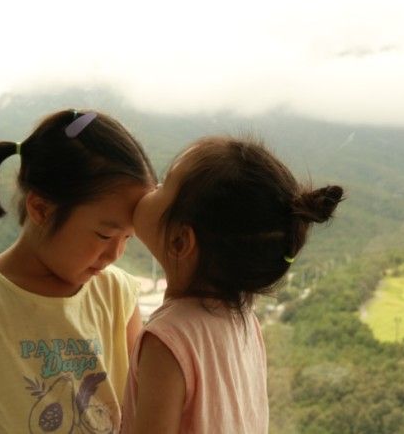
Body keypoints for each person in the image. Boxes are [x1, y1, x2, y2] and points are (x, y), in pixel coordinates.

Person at [0, 109, 156, 434]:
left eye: (127, 238)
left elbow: (141, 406)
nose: (114, 254)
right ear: (41, 209)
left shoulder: (117, 293)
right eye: (104, 235)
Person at [121, 136, 344, 433]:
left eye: (165, 183)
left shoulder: (166, 340)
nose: (153, 188)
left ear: (180, 241)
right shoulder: (247, 325)